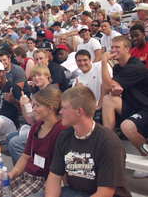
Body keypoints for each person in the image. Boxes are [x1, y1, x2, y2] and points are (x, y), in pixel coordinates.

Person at [44, 85, 131, 197]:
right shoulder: (64, 136)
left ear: (79, 112)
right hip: (74, 192)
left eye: (64, 108)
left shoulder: (108, 142)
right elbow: (54, 177)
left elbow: (105, 192)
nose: (60, 112)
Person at [0, 87, 65, 197]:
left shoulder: (60, 130)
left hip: (43, 181)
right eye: (33, 105)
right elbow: (25, 156)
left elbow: (58, 171)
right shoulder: (36, 127)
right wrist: (12, 173)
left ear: (50, 108)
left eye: (37, 105)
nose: (33, 109)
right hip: (25, 175)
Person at [101, 37, 148, 177]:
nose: (113, 50)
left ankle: (145, 157)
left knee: (127, 126)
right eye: (112, 47)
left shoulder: (135, 67)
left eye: (117, 47)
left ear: (127, 49)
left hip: (145, 108)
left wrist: (104, 62)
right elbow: (110, 88)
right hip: (133, 105)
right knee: (108, 99)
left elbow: (109, 85)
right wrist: (113, 87)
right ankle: (107, 144)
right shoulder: (117, 67)